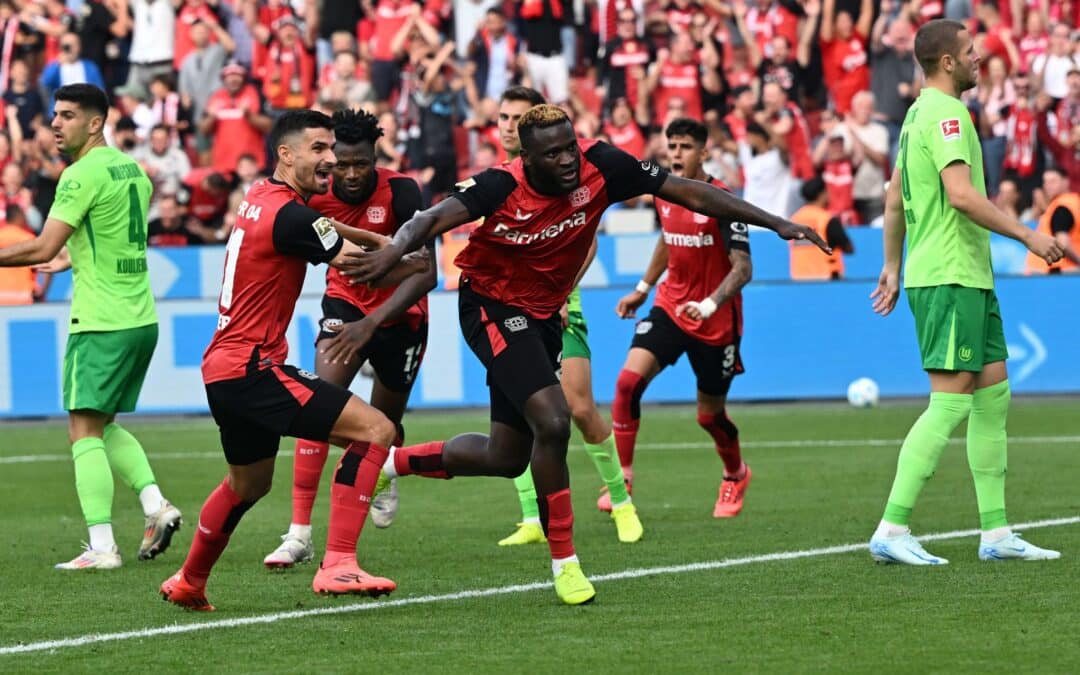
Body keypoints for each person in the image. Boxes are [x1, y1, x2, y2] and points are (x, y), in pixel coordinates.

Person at [345, 104, 830, 605]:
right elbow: (429, 218)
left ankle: (390, 464)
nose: (567, 161)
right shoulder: (500, 184)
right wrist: (390, 251)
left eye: (569, 148)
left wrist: (775, 221)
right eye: (552, 154)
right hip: (489, 304)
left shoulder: (604, 166)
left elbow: (690, 191)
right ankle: (566, 564)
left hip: (544, 315)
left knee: (506, 456)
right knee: (554, 422)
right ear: (527, 159)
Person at [160, 109, 430, 611]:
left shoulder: (264, 199)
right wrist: (408, 260)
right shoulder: (292, 216)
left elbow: (342, 235)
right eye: (319, 150)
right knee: (377, 430)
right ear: (286, 154)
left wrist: (393, 245)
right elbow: (355, 263)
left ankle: (189, 581)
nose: (330, 160)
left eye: (332, 149)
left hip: (223, 369)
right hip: (254, 368)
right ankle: (338, 565)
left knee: (250, 482)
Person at [868, 20, 1065, 566]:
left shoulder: (914, 117)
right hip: (950, 275)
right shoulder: (947, 114)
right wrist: (1028, 233)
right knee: (950, 402)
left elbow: (892, 198)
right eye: (971, 52)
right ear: (948, 63)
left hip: (965, 275)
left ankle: (996, 534)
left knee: (993, 395)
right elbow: (959, 196)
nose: (980, 59)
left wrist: (889, 263)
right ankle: (892, 525)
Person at [0, 83, 181, 569]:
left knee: (82, 430)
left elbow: (37, 247)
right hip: (140, 317)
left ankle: (102, 547)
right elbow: (108, 238)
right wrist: (72, 256)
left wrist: (50, 252)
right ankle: (154, 506)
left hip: (101, 320)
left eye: (67, 115)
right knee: (102, 424)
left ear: (95, 122)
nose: (55, 123)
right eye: (55, 114)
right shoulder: (133, 171)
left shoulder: (79, 175)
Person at [262, 109, 433, 568]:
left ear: (375, 157)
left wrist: (373, 322)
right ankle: (299, 533)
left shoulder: (401, 191)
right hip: (343, 308)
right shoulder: (312, 198)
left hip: (401, 317)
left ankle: (385, 469)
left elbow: (427, 272)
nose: (353, 174)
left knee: (385, 427)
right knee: (321, 404)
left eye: (363, 163)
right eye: (344, 163)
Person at [488, 87, 644, 547]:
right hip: (511, 311)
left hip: (560, 306)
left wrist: (559, 291)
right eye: (502, 116)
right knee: (517, 411)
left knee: (577, 405)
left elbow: (588, 239)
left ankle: (621, 501)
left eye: (517, 117)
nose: (507, 125)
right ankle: (532, 519)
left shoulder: (571, 178)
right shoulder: (493, 183)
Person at [609, 118, 754, 518]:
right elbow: (668, 240)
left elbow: (743, 269)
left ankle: (735, 474)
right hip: (670, 307)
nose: (676, 153)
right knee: (626, 384)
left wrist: (708, 305)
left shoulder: (724, 201)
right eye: (671, 145)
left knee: (709, 416)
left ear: (703, 153)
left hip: (715, 321)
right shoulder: (663, 192)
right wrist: (642, 287)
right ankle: (622, 479)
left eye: (685, 146)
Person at [789, 175, 855, 280]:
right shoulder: (827, 219)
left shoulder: (794, 219)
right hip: (826, 278)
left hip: (799, 278)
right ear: (821, 194)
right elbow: (849, 248)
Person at [1024, 166, 1080, 274]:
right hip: (1047, 272)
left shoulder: (1063, 207)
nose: (1048, 186)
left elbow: (1062, 242)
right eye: (1045, 182)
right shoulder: (1070, 203)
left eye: (1053, 181)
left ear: (1066, 182)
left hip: (1055, 273)